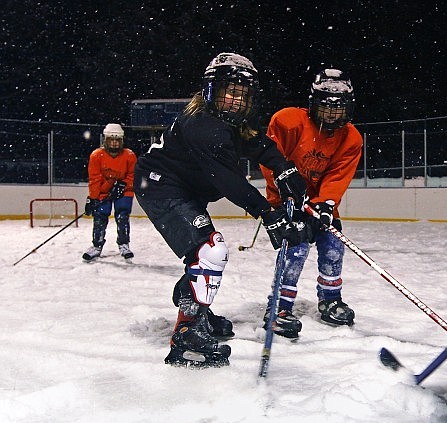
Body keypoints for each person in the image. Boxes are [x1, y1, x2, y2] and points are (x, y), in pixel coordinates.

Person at [134, 52, 307, 367]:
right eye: (230, 90)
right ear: (211, 90)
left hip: (185, 190)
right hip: (161, 188)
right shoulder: (204, 126)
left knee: (202, 252)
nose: (236, 100)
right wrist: (267, 213)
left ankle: (196, 311)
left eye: (243, 94)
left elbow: (258, 143)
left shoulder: (233, 121)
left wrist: (283, 169)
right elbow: (228, 180)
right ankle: (186, 335)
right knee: (211, 251)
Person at [259, 68, 363, 340]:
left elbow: (338, 175)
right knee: (296, 246)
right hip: (286, 200)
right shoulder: (287, 121)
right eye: (325, 107)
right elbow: (270, 158)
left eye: (338, 109)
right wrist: (286, 191)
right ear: (312, 103)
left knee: (333, 243)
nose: (331, 114)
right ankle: (279, 307)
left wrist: (325, 203)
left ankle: (330, 299)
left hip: (319, 203)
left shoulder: (351, 138)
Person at [82, 123, 137, 261]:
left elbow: (133, 175)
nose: (114, 143)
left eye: (117, 140)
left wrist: (123, 185)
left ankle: (124, 244)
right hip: (103, 191)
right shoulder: (96, 156)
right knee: (100, 216)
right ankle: (96, 246)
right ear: (105, 140)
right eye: (111, 140)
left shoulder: (129, 156)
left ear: (122, 141)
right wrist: (93, 198)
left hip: (124, 190)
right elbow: (94, 179)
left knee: (122, 216)